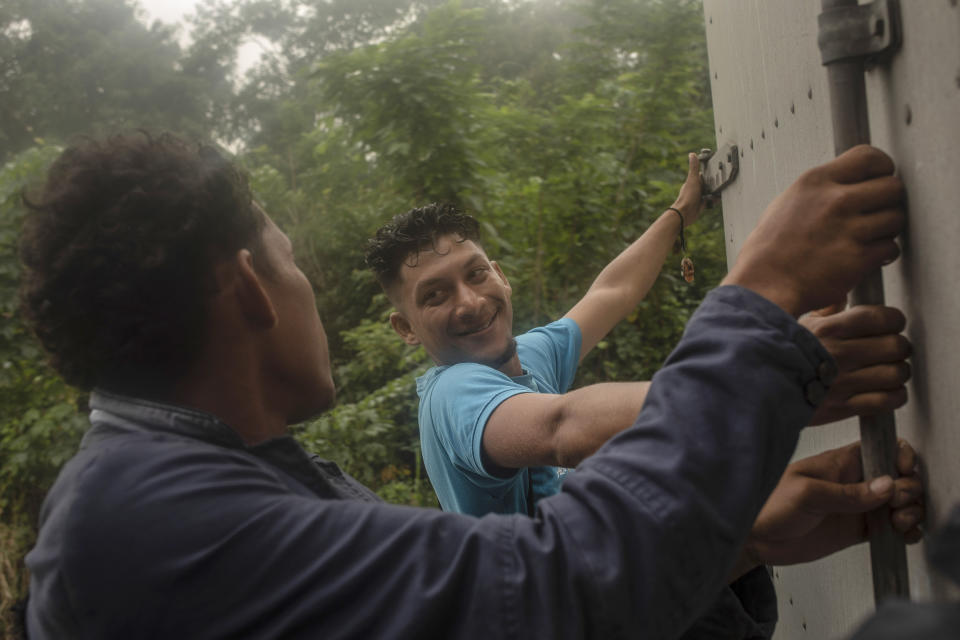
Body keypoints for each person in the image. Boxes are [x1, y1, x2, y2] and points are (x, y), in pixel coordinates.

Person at [21, 132, 920, 639]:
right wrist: (763, 317)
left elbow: (494, 616)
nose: (468, 300)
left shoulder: (187, 493)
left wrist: (745, 533)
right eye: (295, 265)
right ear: (252, 289)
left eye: (476, 273)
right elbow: (546, 581)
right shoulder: (151, 520)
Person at [366, 162, 914, 517]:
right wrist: (769, 372)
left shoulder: (524, 358)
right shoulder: (453, 394)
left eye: (477, 273)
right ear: (407, 329)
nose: (469, 301)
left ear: (501, 274)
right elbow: (562, 427)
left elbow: (613, 291)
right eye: (435, 296)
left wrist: (681, 213)